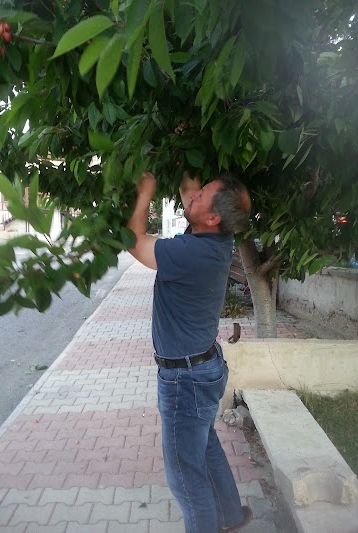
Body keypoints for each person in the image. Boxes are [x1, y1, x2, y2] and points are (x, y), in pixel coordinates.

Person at [127, 170, 253, 533]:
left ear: (212, 217)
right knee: (204, 446)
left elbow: (133, 241)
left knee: (184, 474)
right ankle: (230, 517)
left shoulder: (193, 251)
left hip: (185, 379)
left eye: (202, 196)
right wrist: (182, 156)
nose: (193, 196)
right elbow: (187, 189)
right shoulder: (214, 238)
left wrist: (145, 193)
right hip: (202, 368)